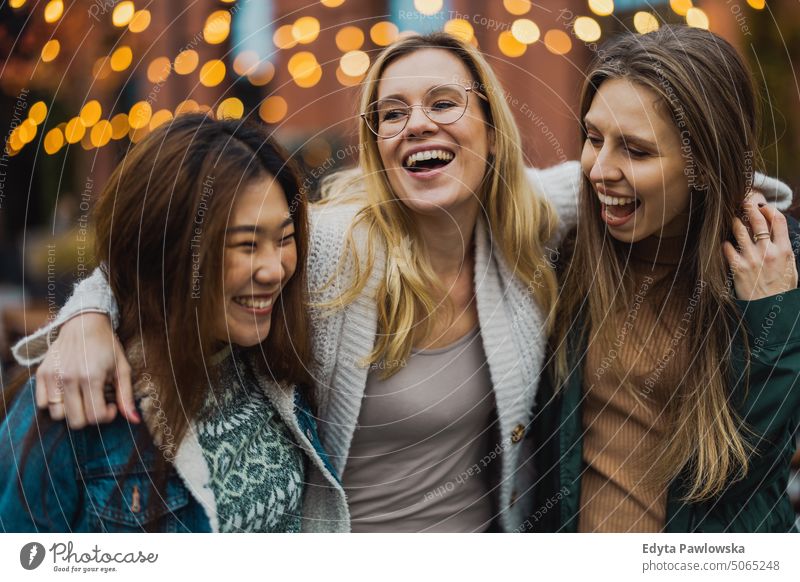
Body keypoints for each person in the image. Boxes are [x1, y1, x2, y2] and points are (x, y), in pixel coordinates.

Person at [11, 33, 793, 533]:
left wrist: (750, 213)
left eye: (444, 103)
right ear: (375, 142)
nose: (416, 123)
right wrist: (85, 319)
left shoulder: (526, 226)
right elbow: (187, 246)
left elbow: (667, 174)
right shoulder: (327, 251)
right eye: (391, 113)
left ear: (491, 127)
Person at [0, 114, 348, 532]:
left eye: (285, 238)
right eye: (245, 245)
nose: (274, 269)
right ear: (170, 254)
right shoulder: (73, 398)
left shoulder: (270, 365)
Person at [534, 25, 800, 533]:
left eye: (636, 151)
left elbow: (742, 475)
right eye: (593, 139)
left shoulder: (780, 273)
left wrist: (773, 320)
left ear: (703, 161)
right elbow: (477, 195)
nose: (597, 170)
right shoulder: (570, 257)